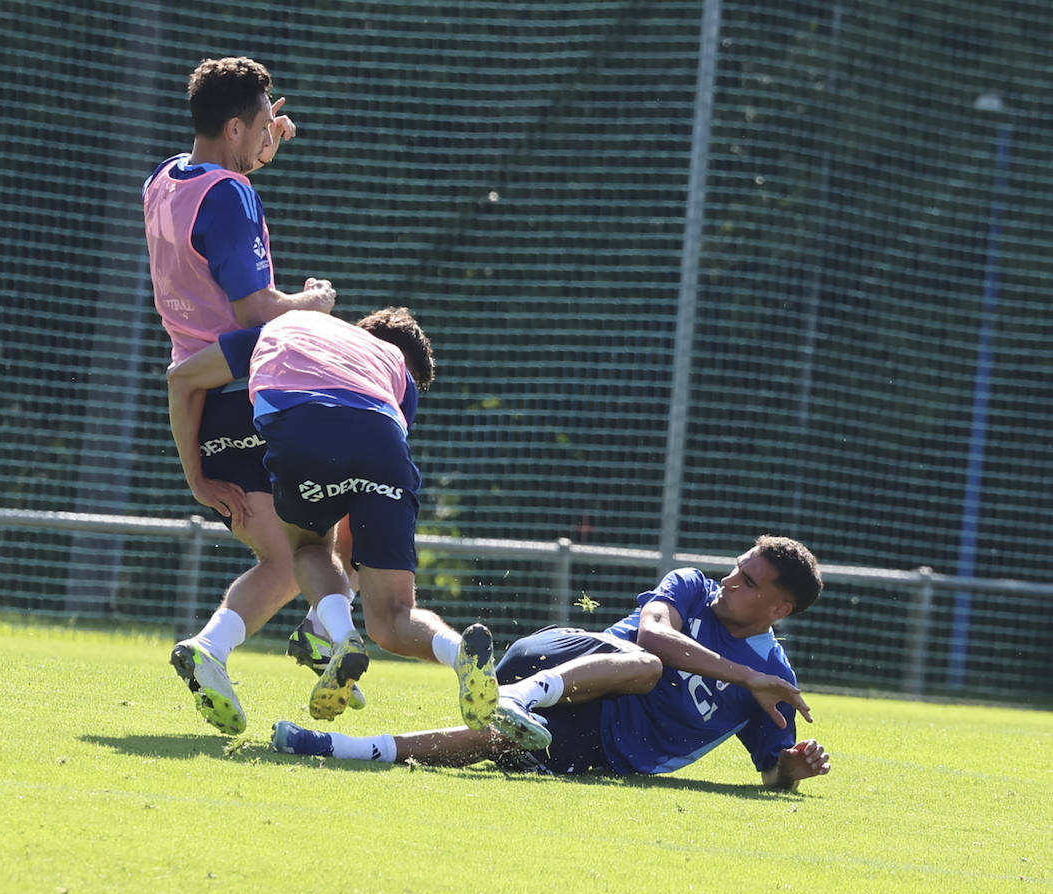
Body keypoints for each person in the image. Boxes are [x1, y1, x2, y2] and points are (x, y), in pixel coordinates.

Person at [272, 535, 833, 791]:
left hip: (601, 746)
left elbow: (771, 772)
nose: (729, 580)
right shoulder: (692, 587)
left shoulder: (775, 682)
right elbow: (654, 636)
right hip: (560, 660)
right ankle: (520, 697)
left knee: (496, 743)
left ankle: (332, 747)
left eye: (747, 582)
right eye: (737, 567)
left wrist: (793, 768)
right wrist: (745, 675)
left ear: (779, 608)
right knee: (648, 665)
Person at [167, 307, 500, 730]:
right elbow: (360, 510)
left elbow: (182, 376)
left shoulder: (291, 324)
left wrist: (196, 478)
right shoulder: (393, 367)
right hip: (381, 440)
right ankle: (458, 652)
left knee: (307, 548)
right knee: (393, 615)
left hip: (299, 427)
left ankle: (340, 637)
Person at [143, 56, 348, 735]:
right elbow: (255, 308)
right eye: (262, 124)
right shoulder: (231, 195)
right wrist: (313, 303)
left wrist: (258, 151)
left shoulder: (166, 178)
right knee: (319, 538)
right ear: (235, 127)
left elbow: (216, 214)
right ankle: (302, 635)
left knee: (300, 549)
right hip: (250, 387)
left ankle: (295, 634)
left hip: (203, 397)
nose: (270, 133)